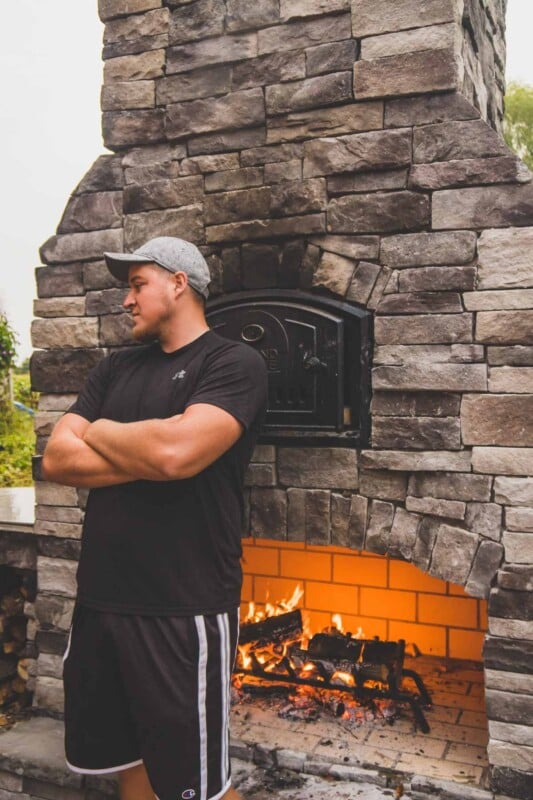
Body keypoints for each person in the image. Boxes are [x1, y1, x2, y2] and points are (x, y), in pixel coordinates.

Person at [42, 236, 268, 800]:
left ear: (178, 283)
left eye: (138, 283)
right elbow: (57, 458)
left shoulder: (233, 362)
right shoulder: (117, 366)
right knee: (131, 764)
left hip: (182, 609)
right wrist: (153, 451)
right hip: (101, 603)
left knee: (197, 788)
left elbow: (177, 453)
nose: (127, 299)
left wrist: (98, 432)